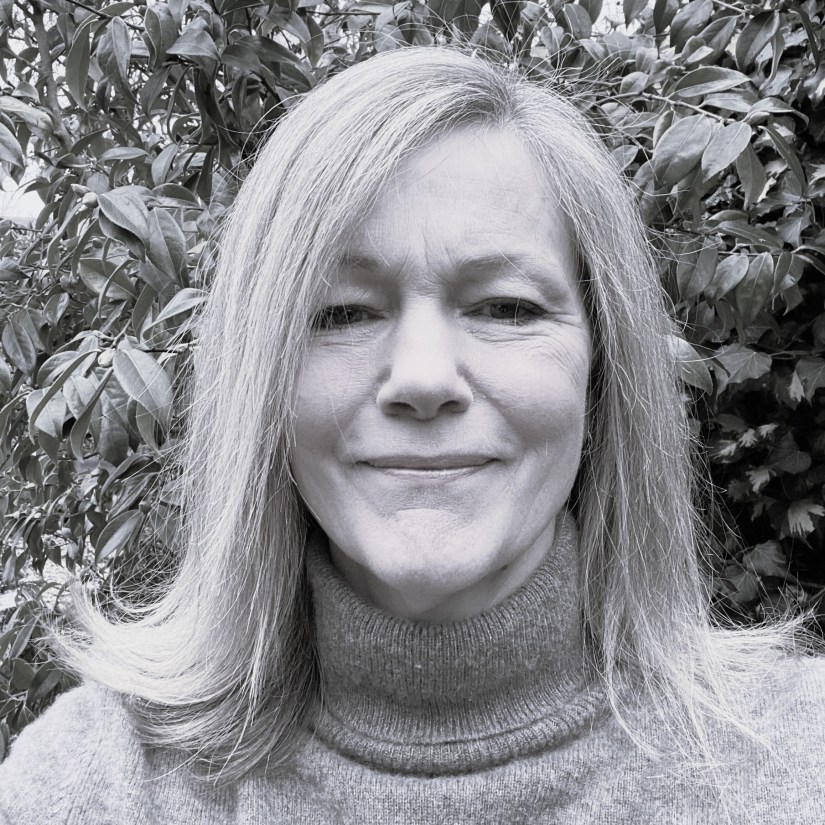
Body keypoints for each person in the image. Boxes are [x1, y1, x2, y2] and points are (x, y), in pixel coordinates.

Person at [1, 46, 823, 824]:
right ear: (260, 383)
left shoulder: (796, 762)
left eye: (506, 307)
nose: (424, 378)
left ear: (601, 372)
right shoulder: (92, 785)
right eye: (341, 313)